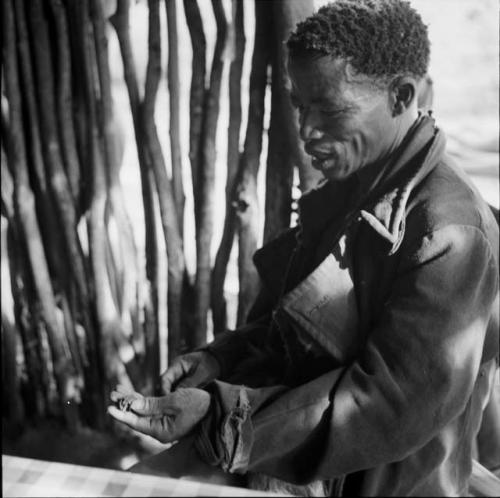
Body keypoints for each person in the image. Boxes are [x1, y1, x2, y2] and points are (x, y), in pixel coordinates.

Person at [108, 1, 500, 495]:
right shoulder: (349, 192)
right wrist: (221, 360)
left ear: (401, 96)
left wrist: (222, 418)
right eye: (299, 105)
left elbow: (388, 403)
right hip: (288, 463)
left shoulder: (449, 235)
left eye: (330, 110)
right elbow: (296, 333)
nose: (307, 129)